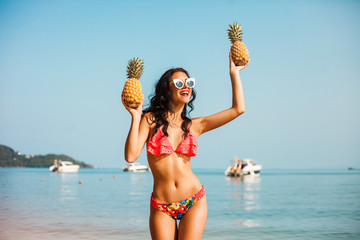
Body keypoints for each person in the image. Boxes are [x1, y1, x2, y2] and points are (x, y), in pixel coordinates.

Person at [122, 52, 248, 239]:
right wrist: (135, 116)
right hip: (161, 205)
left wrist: (234, 73)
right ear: (167, 89)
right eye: (179, 83)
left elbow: (238, 109)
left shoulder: (195, 126)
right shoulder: (149, 120)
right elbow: (131, 156)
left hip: (193, 200)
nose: (186, 86)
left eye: (189, 83)